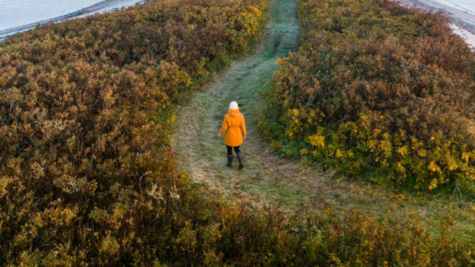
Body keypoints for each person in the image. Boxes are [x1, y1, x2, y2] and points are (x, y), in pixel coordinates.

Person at [218, 101, 246, 169]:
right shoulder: (241, 116)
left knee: (229, 149)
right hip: (238, 136)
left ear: (229, 108)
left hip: (229, 136)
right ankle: (241, 162)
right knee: (237, 149)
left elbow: (224, 127)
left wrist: (220, 133)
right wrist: (244, 134)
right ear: (237, 108)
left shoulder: (227, 116)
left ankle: (230, 163)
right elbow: (243, 126)